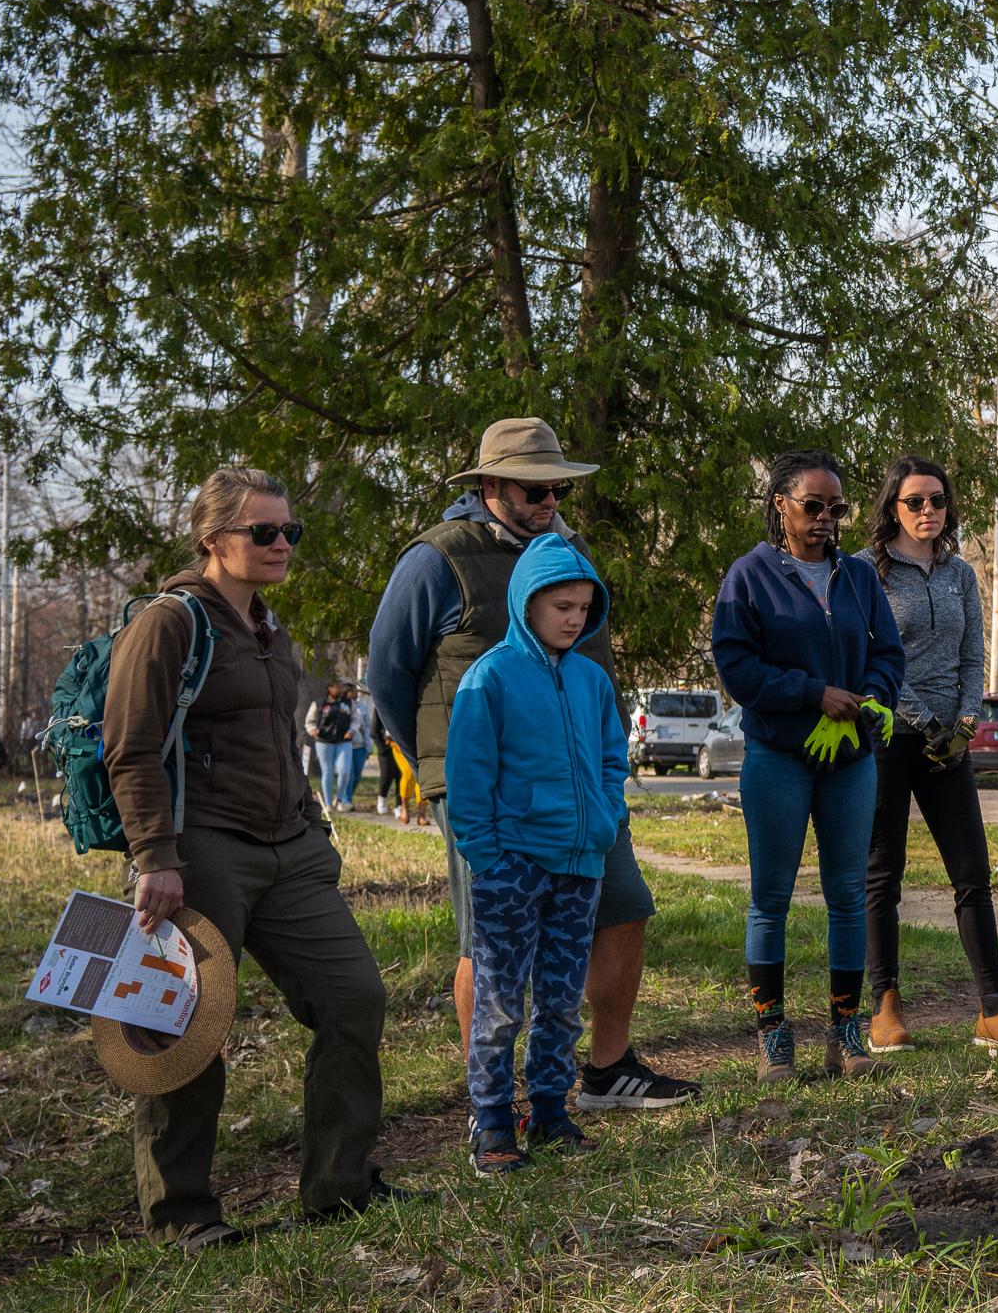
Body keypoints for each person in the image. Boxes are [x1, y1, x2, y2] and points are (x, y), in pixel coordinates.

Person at [107, 467, 411, 1246]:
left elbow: (281, 740)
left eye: (289, 533)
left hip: (290, 851)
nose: (280, 545)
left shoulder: (271, 631)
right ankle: (183, 1217)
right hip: (201, 849)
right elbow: (132, 750)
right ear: (213, 540)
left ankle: (339, 1188)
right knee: (184, 1027)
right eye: (262, 532)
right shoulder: (170, 623)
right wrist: (155, 857)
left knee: (354, 998)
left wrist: (312, 825)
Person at [368, 419, 695, 1111]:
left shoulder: (568, 550)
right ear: (489, 484)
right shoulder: (438, 557)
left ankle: (605, 1072)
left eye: (557, 487)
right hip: (484, 790)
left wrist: (606, 787)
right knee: (487, 937)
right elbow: (389, 673)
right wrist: (443, 768)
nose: (549, 499)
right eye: (533, 487)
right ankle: (491, 1098)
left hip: (580, 789)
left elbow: (594, 672)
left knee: (624, 908)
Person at [713, 450, 907, 1081]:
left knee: (848, 896)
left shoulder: (858, 577)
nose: (826, 519)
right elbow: (736, 665)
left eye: (837, 508)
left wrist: (866, 698)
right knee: (771, 899)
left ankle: (846, 1032)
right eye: (813, 505)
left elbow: (887, 654)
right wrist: (810, 693)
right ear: (781, 505)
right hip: (778, 756)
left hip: (850, 759)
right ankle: (774, 1035)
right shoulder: (750, 576)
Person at [445, 536, 631, 1175]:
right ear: (527, 605)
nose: (575, 618)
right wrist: (486, 855)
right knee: (500, 999)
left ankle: (551, 1110)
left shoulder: (591, 678)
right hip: (511, 867)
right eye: (561, 606)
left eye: (584, 607)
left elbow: (612, 758)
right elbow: (469, 775)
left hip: (581, 862)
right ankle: (493, 1119)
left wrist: (609, 816)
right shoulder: (490, 676)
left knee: (560, 996)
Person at [860, 456, 998, 1052]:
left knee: (972, 874)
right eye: (915, 501)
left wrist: (965, 720)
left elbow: (971, 657)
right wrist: (922, 719)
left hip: (949, 745)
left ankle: (995, 1008)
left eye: (937, 500)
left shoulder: (960, 573)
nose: (928, 511)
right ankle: (884, 1007)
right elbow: (876, 660)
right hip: (890, 737)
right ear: (892, 507)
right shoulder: (867, 573)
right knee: (882, 876)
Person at [306, 684, 361, 812]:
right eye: (339, 688)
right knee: (327, 771)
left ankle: (340, 800)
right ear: (330, 688)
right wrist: (313, 731)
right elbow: (310, 721)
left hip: (343, 741)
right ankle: (328, 803)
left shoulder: (348, 703)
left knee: (345, 770)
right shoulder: (319, 703)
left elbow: (355, 719)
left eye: (343, 688)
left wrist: (352, 730)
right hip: (324, 741)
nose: (342, 691)